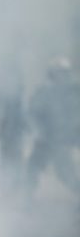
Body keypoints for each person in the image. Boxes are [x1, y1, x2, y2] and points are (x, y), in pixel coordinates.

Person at [26, 57, 80, 197]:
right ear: (52, 74)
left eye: (65, 73)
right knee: (33, 167)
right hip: (47, 138)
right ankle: (26, 196)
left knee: (65, 171)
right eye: (59, 73)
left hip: (65, 138)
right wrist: (39, 130)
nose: (63, 76)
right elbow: (33, 113)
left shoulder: (75, 91)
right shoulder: (44, 92)